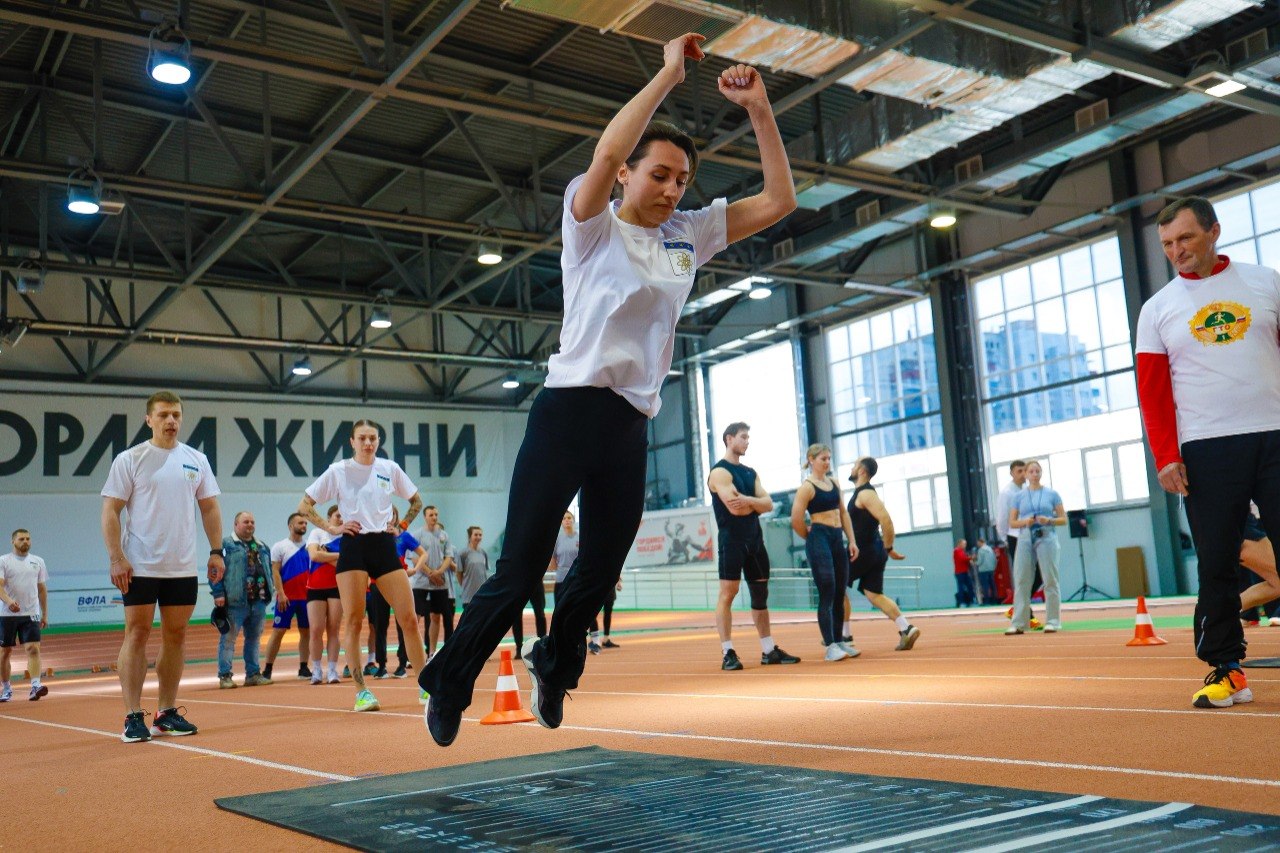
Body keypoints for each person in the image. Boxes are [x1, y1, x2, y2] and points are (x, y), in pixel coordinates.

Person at [419, 31, 797, 746]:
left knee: (599, 568)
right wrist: (667, 75)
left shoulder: (690, 234)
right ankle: (449, 681)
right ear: (627, 173)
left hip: (629, 422)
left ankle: (555, 663)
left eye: (682, 179)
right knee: (519, 569)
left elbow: (780, 199)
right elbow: (602, 154)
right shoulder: (590, 224)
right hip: (567, 411)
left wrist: (758, 109)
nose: (672, 189)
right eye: (659, 175)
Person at [1136, 195, 1280, 707]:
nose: (1176, 250)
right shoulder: (1157, 310)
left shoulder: (1266, 283)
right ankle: (1227, 668)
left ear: (1214, 231)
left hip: (1275, 435)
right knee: (1217, 563)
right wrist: (1165, 455)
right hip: (1206, 449)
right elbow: (1153, 393)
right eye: (1167, 244)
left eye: (1185, 238)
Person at [101, 390, 222, 743]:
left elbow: (210, 508)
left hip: (181, 565)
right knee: (137, 633)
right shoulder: (130, 459)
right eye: (164, 415)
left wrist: (216, 551)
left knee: (177, 635)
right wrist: (116, 557)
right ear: (149, 419)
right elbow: (110, 510)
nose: (171, 421)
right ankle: (132, 716)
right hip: (139, 565)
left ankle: (166, 712)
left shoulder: (196, 459)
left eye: (176, 415)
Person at [298, 419, 429, 712]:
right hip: (353, 545)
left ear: (378, 441)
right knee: (355, 621)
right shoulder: (338, 471)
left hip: (383, 545)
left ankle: (425, 687)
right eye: (362, 438)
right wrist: (332, 529)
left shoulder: (389, 468)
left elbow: (417, 501)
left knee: (408, 618)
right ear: (352, 441)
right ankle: (362, 692)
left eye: (373, 438)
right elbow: (304, 505)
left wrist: (402, 526)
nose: (368, 443)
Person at [712, 423, 800, 670]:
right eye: (743, 437)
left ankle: (769, 650)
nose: (747, 441)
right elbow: (735, 509)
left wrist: (749, 500)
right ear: (729, 439)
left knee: (761, 595)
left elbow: (769, 504)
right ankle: (728, 652)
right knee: (728, 594)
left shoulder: (751, 473)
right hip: (732, 541)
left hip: (755, 541)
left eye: (748, 437)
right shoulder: (719, 472)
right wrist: (756, 503)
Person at [790, 444, 858, 661]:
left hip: (837, 539)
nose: (827, 462)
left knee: (840, 591)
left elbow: (844, 513)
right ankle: (830, 646)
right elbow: (796, 519)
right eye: (823, 459)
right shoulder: (807, 488)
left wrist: (852, 541)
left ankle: (839, 642)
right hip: (819, 538)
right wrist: (810, 537)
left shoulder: (834, 483)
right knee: (827, 589)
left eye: (829, 458)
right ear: (811, 459)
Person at [845, 457, 919, 650]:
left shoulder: (865, 494)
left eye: (855, 465)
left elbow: (886, 520)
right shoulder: (864, 494)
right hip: (874, 550)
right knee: (874, 594)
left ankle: (844, 636)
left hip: (863, 550)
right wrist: (886, 549)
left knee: (836, 585)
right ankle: (906, 628)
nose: (852, 468)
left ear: (862, 471)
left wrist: (889, 547)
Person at [211, 511, 274, 688]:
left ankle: (253, 674)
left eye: (252, 522)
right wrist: (218, 593)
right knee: (228, 639)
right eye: (246, 522)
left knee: (254, 639)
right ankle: (225, 676)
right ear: (236, 524)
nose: (250, 525)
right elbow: (214, 570)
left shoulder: (262, 546)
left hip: (259, 601)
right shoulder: (225, 545)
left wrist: (271, 590)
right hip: (235, 602)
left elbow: (268, 570)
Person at [1006, 460, 1065, 634]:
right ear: (1025, 474)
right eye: (1030, 471)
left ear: (1041, 473)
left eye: (1037, 471)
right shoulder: (1018, 497)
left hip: (1046, 535)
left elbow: (1063, 519)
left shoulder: (1052, 494)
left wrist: (1049, 520)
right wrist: (1025, 521)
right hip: (1025, 536)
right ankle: (1019, 623)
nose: (1034, 474)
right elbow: (1012, 522)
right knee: (1022, 579)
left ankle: (1053, 621)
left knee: (1050, 579)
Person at [368, 506, 424, 679]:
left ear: (395, 517)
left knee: (404, 623)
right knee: (379, 624)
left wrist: (414, 569)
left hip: (399, 582)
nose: (388, 516)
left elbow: (423, 554)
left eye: (391, 514)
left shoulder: (403, 536)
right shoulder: (373, 535)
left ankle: (402, 664)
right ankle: (381, 665)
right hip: (377, 583)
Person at [0, 529, 49, 702]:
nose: (25, 541)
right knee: (5, 652)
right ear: (13, 541)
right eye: (21, 539)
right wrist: (8, 602)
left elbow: (42, 589)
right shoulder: (4, 561)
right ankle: (6, 688)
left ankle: (35, 685)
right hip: (7, 614)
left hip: (31, 613)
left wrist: (44, 614)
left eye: (28, 538)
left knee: (33, 648)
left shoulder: (38, 561)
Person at [265, 513, 311, 681]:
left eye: (305, 523)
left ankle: (304, 667)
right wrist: (281, 593)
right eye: (300, 523)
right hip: (287, 598)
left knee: (306, 632)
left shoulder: (310, 546)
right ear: (291, 526)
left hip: (306, 598)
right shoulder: (280, 546)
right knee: (278, 631)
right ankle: (267, 669)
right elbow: (275, 571)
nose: (304, 526)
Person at [305, 505, 343, 685]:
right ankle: (317, 669)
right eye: (337, 516)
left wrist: (326, 554)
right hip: (315, 586)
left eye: (343, 516)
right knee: (315, 629)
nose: (341, 519)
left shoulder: (347, 536)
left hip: (337, 586)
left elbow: (345, 563)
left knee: (334, 628)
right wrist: (338, 555)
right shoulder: (317, 533)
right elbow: (314, 556)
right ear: (329, 518)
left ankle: (333, 670)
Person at [414, 506, 455, 657]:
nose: (434, 517)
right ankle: (413, 653)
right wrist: (430, 573)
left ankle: (431, 652)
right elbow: (415, 558)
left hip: (439, 584)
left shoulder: (444, 535)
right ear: (425, 517)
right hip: (421, 583)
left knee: (436, 616)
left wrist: (439, 572)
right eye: (431, 515)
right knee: (415, 618)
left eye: (436, 514)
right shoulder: (418, 534)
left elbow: (449, 557)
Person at [456, 526, 490, 611]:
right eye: (476, 535)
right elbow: (459, 573)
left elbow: (484, 573)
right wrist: (465, 586)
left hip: (483, 595)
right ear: (469, 536)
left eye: (480, 535)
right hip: (468, 597)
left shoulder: (483, 553)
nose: (478, 537)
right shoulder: (463, 553)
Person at [953, 539, 975, 607]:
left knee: (969, 586)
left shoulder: (962, 551)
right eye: (964, 544)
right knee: (961, 587)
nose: (965, 545)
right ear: (959, 544)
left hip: (965, 571)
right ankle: (961, 602)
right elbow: (962, 559)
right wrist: (971, 558)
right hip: (960, 572)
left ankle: (971, 600)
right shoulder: (957, 551)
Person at [975, 537, 997, 604]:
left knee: (985, 586)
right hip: (991, 569)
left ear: (981, 542)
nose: (977, 544)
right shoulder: (990, 549)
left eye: (978, 543)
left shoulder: (981, 550)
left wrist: (974, 563)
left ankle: (987, 600)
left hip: (983, 570)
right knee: (992, 585)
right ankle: (994, 599)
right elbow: (995, 559)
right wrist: (994, 567)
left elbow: (980, 561)